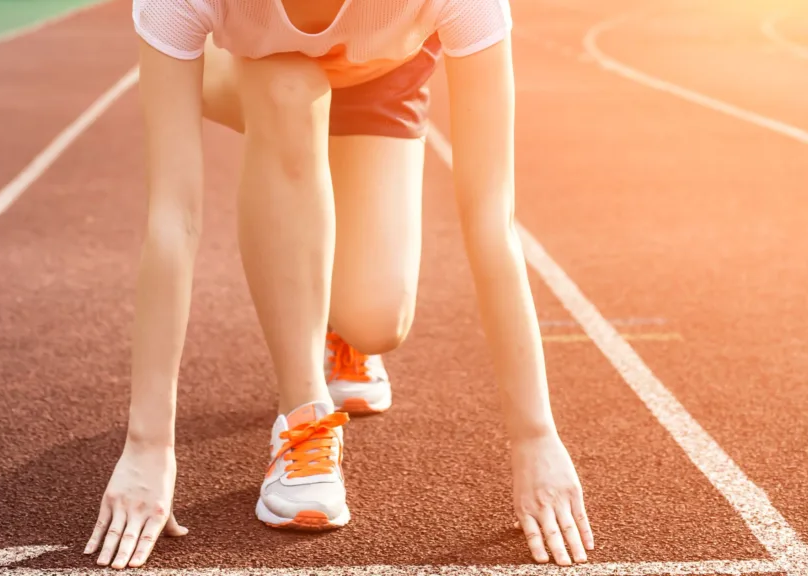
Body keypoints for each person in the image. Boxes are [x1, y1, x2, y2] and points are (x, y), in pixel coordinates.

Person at [84, 0, 595, 570]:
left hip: (380, 76)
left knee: (376, 322)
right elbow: (173, 219)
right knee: (289, 91)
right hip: (256, 70)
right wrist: (148, 446)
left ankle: (333, 322)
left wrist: (535, 436)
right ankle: (302, 414)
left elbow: (490, 218)